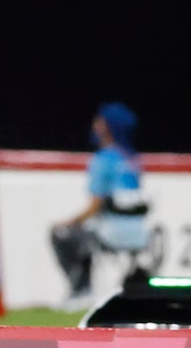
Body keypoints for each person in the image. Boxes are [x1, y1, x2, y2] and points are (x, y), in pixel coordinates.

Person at [50, 102, 151, 308]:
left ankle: (81, 289)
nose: (95, 125)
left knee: (61, 233)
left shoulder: (103, 160)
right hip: (141, 235)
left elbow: (94, 207)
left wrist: (70, 221)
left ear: (108, 126)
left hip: (110, 234)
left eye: (99, 121)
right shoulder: (133, 160)